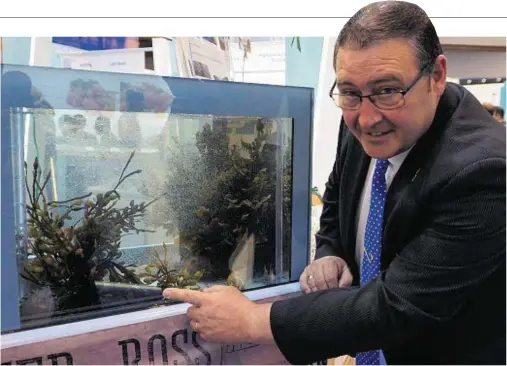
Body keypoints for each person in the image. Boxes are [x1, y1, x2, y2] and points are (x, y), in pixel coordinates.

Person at [163, 1, 506, 364]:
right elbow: (337, 200)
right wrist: (331, 252)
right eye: (350, 92)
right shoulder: (358, 115)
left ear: (436, 76)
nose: (368, 118)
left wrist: (253, 319)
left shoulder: (483, 171)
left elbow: (398, 306)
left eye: (388, 90)